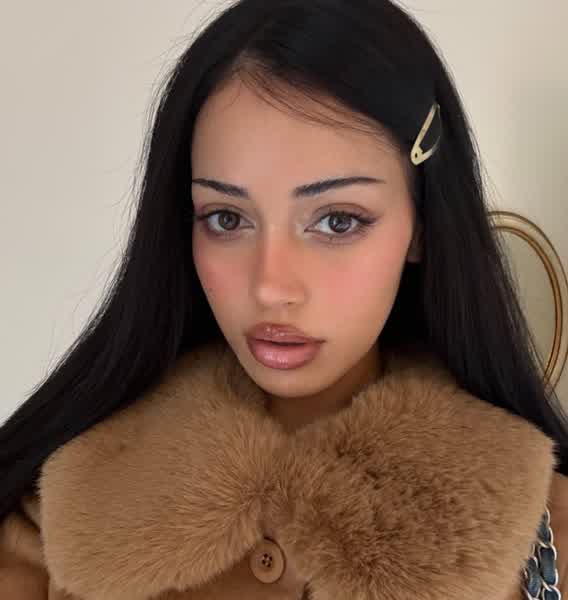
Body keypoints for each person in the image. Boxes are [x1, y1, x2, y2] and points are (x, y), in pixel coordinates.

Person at [1, 1, 567, 598]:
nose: (270, 286)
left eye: (338, 221)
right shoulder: (48, 528)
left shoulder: (545, 536)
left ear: (421, 223)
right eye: (226, 218)